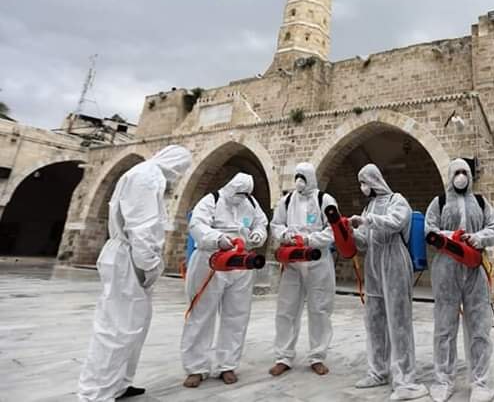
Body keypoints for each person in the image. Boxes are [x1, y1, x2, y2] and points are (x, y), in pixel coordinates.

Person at [78, 145, 192, 402]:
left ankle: (119, 384)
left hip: (129, 257)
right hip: (129, 258)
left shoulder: (147, 174)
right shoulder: (148, 177)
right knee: (117, 328)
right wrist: (149, 265)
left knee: (133, 326)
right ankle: (95, 394)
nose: (181, 174)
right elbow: (142, 227)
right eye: (183, 168)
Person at [181, 173, 268, 388]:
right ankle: (196, 367)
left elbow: (261, 222)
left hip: (240, 262)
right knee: (202, 314)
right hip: (212, 259)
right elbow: (197, 226)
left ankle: (227, 365)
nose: (242, 197)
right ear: (231, 188)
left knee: (237, 315)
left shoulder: (250, 202)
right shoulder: (211, 200)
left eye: (246, 194)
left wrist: (258, 234)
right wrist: (217, 239)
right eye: (240, 193)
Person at [424, 158, 494, 402]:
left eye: (464, 172)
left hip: (475, 268)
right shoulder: (439, 202)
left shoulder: (480, 202)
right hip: (446, 270)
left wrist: (478, 238)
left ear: (470, 175)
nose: (460, 176)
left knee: (479, 326)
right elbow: (429, 230)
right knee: (445, 326)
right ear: (450, 175)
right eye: (456, 172)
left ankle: (480, 381)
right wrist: (453, 237)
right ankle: (443, 380)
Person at [350, 164, 428, 401]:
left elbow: (395, 222)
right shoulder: (368, 207)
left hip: (394, 258)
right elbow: (363, 242)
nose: (363, 187)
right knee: (373, 319)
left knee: (398, 319)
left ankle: (404, 377)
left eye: (365, 181)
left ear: (374, 180)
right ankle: (378, 371)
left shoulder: (398, 200)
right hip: (373, 261)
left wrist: (366, 221)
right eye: (360, 182)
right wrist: (351, 232)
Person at [268, 162, 338, 376]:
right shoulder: (287, 200)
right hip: (292, 261)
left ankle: (317, 356)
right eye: (297, 175)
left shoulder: (324, 200)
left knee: (320, 308)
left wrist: (309, 239)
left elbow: (333, 230)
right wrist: (285, 235)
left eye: (303, 176)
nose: (299, 180)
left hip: (317, 260)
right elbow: (276, 224)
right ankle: (284, 356)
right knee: (286, 308)